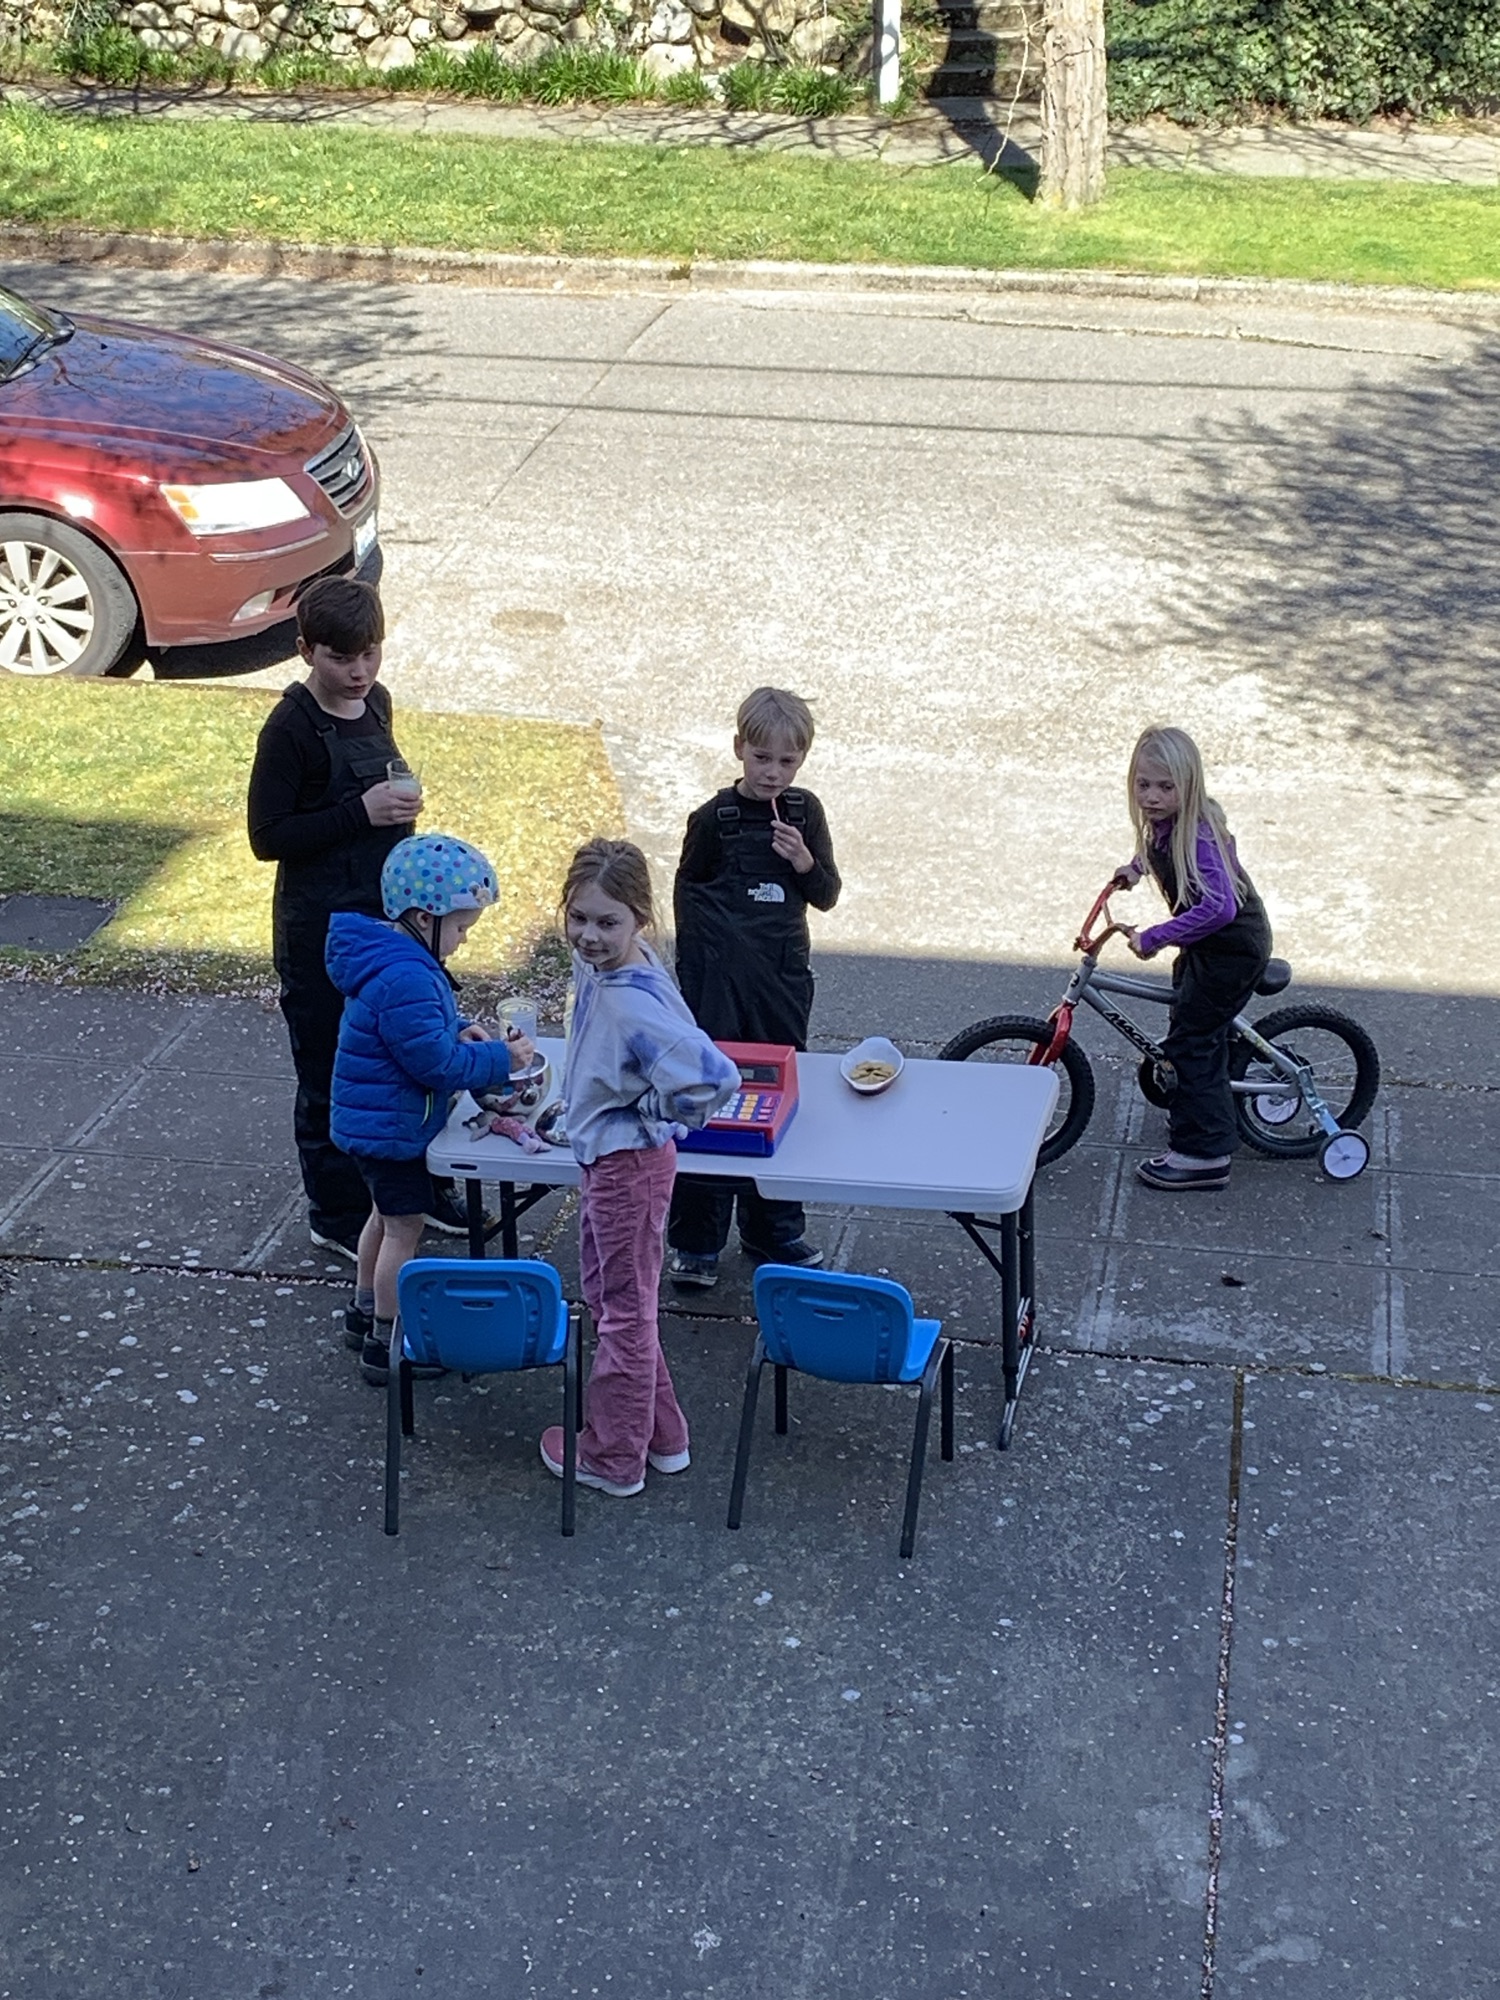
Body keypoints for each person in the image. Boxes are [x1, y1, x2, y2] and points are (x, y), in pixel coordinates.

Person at [541, 839, 738, 1498]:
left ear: (640, 920)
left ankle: (614, 1458)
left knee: (623, 1315)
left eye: (608, 922)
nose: (588, 936)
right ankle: (663, 1437)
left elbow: (714, 1078)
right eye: (578, 918)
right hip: (612, 1162)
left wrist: (646, 1108)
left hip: (628, 1168)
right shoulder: (609, 966)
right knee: (616, 1302)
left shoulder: (631, 1002)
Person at [247, 578, 421, 1262]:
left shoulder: (376, 702)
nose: (358, 671)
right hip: (317, 928)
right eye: (341, 658)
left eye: (370, 653)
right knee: (330, 1072)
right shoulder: (289, 730)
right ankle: (337, 1213)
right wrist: (361, 812)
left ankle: (404, 1201)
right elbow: (268, 836)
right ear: (305, 651)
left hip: (383, 918)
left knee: (398, 1057)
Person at [327, 833, 536, 1385]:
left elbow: (418, 1034)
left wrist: (456, 1028)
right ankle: (389, 1344)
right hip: (392, 1128)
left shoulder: (397, 958)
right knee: (404, 1231)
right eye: (462, 927)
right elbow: (436, 1065)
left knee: (382, 1218)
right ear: (425, 918)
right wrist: (501, 1059)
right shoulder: (409, 976)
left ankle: (363, 1312)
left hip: (375, 1122)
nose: (464, 939)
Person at [665, 686, 841, 1289]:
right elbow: (688, 898)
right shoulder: (712, 820)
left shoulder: (805, 813)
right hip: (717, 984)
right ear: (739, 748)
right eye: (762, 758)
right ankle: (696, 1240)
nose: (773, 773)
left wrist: (803, 863)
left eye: (787, 762)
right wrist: (701, 976)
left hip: (782, 979)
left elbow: (827, 894)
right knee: (708, 1097)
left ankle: (775, 1228)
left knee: (779, 1095)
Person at [1112, 725, 1272, 1193]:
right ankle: (1201, 1099)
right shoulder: (1167, 822)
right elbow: (1155, 844)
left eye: (1166, 787)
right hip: (1208, 944)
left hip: (1232, 948)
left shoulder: (1201, 835)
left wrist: (1157, 936)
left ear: (1189, 785)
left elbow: (1220, 908)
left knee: (1191, 1043)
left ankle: (1205, 1155)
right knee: (1189, 1017)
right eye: (1143, 784)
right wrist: (1134, 869)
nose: (1152, 797)